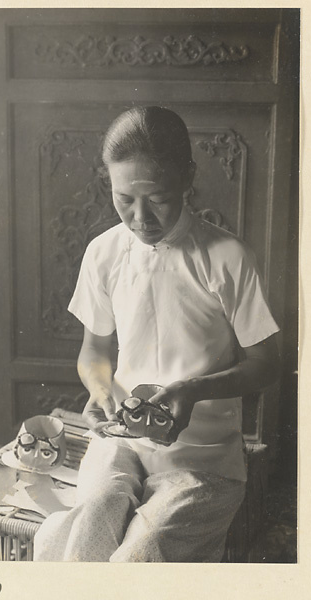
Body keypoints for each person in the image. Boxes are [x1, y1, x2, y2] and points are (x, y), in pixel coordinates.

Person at [34, 106, 280, 562]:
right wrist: (101, 387)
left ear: (187, 177)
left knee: (140, 556)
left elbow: (267, 362)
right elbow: (94, 350)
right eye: (124, 198)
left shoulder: (226, 257)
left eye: (159, 198)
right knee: (90, 520)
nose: (140, 217)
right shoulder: (103, 252)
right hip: (123, 438)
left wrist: (192, 390)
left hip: (203, 456)